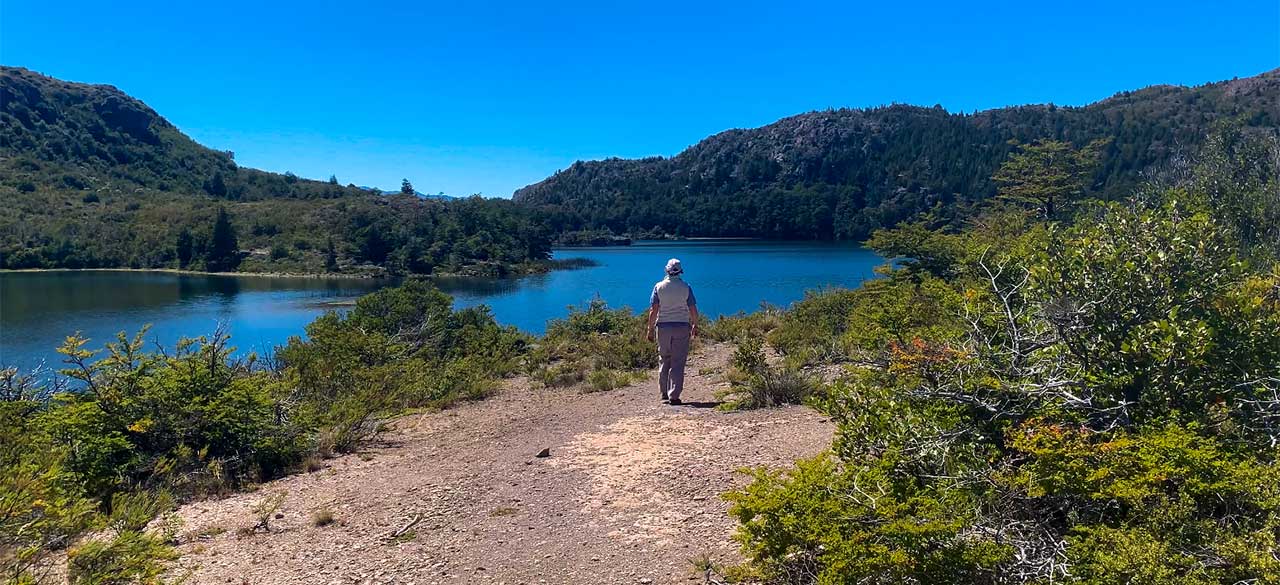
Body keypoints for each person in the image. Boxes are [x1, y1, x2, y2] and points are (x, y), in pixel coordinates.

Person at [646, 258, 698, 405]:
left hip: (663, 327)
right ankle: (674, 395)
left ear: (666, 270)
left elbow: (653, 310)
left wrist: (650, 329)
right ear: (680, 271)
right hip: (682, 326)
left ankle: (663, 393)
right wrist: (695, 324)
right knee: (678, 361)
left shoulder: (658, 287)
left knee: (664, 358)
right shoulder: (686, 287)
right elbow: (692, 309)